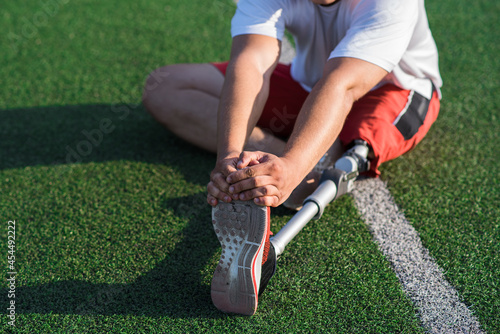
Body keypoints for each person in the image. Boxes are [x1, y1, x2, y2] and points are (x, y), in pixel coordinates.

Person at [143, 0, 442, 315]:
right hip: (310, 84)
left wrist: (292, 169)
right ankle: (292, 161)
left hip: (393, 89)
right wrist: (229, 156)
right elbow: (252, 63)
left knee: (352, 146)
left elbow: (342, 84)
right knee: (165, 87)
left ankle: (306, 165)